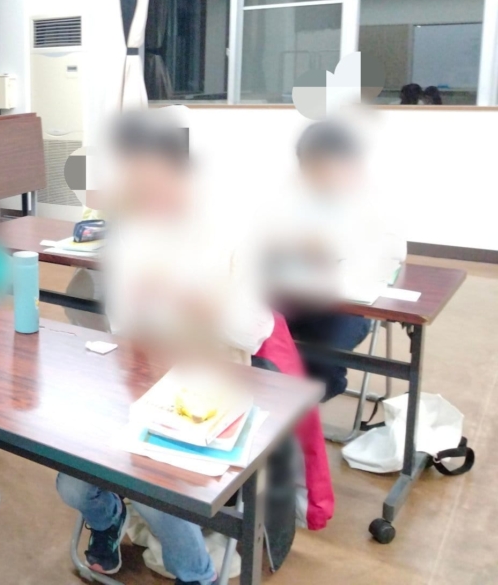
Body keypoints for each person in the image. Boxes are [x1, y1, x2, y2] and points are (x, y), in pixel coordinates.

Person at [56, 110, 274, 584]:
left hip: (214, 387)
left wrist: (192, 300)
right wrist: (136, 305)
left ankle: (197, 574)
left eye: (156, 183)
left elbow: (257, 330)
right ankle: (108, 518)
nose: (146, 196)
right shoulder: (135, 231)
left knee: (156, 494)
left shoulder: (232, 232)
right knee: (71, 483)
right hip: (142, 381)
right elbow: (121, 321)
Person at [261, 121, 405, 401]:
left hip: (344, 306)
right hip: (293, 295)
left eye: (328, 167)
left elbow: (395, 253)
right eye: (311, 167)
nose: (320, 176)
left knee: (324, 352)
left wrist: (342, 248)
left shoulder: (372, 204)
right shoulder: (289, 201)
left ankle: (322, 389)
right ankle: (277, 392)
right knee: (258, 329)